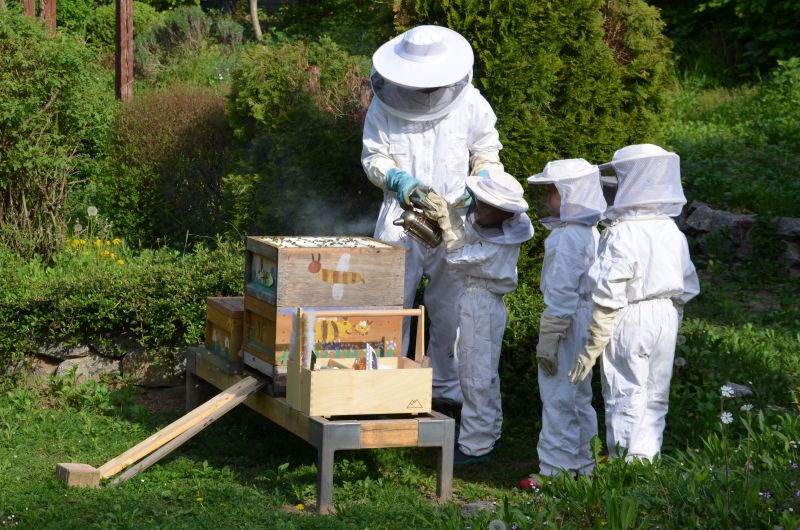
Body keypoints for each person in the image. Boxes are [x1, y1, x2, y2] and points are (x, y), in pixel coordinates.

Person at [362, 25, 504, 405]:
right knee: (388, 305)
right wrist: (398, 180)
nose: (425, 91)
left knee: (450, 308)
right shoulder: (384, 104)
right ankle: (382, 392)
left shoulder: (470, 102)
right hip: (400, 219)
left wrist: (481, 184)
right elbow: (373, 156)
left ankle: (445, 393)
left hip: (454, 221)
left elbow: (487, 152)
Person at [568, 144, 700, 461]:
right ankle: (646, 462)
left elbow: (609, 288)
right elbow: (687, 283)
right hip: (667, 314)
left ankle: (626, 469)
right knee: (656, 394)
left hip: (630, 316)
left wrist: (595, 338)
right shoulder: (671, 230)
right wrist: (674, 317)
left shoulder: (622, 232)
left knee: (626, 392)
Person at [421, 172, 534, 464]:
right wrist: (452, 215)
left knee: (474, 376)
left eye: (486, 205)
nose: (478, 209)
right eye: (479, 202)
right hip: (480, 303)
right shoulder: (494, 231)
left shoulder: (498, 245)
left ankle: (475, 445)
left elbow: (458, 257)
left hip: (481, 307)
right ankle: (489, 432)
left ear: (504, 212)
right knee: (484, 373)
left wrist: (448, 226)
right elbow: (467, 242)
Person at [526, 158, 607, 478]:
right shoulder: (590, 232)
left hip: (567, 321)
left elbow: (562, 289)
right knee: (579, 394)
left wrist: (551, 333)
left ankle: (555, 471)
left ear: (570, 193)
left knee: (558, 394)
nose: (547, 199)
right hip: (585, 317)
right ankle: (585, 464)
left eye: (552, 192)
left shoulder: (567, 236)